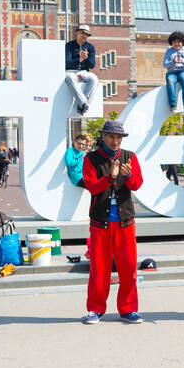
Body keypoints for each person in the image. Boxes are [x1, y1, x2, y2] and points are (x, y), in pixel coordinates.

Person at [81, 120, 145, 324]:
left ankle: (128, 309)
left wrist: (128, 175)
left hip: (125, 221)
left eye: (119, 137)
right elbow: (92, 187)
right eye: (112, 137)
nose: (116, 141)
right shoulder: (91, 159)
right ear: (104, 137)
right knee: (99, 268)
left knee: (128, 268)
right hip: (100, 222)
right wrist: (110, 178)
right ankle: (95, 309)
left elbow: (137, 184)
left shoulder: (130, 157)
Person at [63, 24, 98, 116]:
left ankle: (82, 105)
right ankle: (84, 104)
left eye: (87, 34)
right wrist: (79, 59)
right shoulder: (69, 46)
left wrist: (86, 58)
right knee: (69, 78)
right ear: (77, 33)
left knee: (94, 79)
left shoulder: (90, 47)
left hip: (83, 73)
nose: (84, 36)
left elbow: (92, 65)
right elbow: (66, 63)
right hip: (71, 71)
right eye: (83, 33)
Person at [163, 31, 184, 114]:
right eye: (174, 42)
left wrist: (182, 60)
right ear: (171, 43)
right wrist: (173, 61)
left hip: (183, 71)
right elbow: (165, 65)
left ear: (182, 42)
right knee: (170, 81)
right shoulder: (168, 51)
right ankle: (173, 104)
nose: (176, 44)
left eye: (178, 42)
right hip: (172, 72)